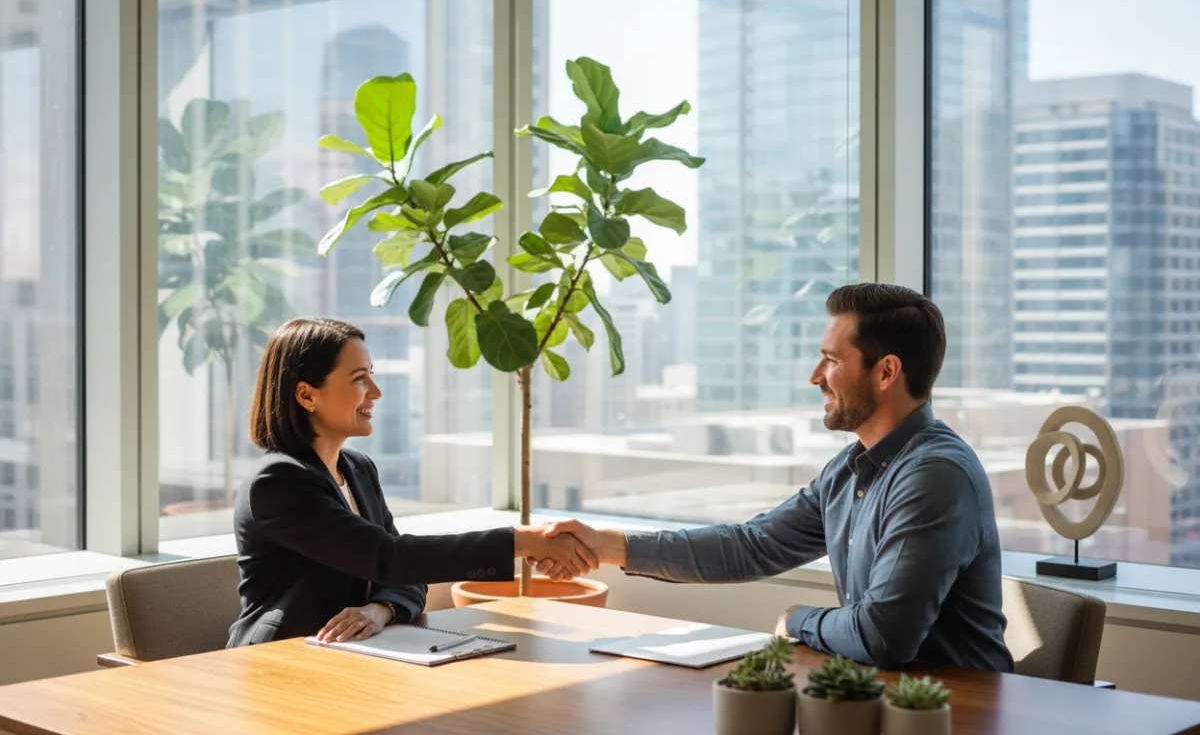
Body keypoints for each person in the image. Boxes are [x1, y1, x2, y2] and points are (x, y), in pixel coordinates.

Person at [531, 283, 1014, 672]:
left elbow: (882, 636)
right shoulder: (851, 469)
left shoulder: (934, 476)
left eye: (832, 359)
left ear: (886, 372)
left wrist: (796, 620)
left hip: (956, 711)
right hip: (875, 701)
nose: (814, 376)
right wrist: (606, 545)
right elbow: (753, 544)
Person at [227, 317, 595, 648]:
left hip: (362, 655)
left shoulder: (357, 469)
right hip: (283, 657)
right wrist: (522, 541)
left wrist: (380, 609)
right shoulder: (277, 482)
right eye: (359, 378)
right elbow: (390, 559)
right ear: (307, 394)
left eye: (371, 374)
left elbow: (408, 577)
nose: (375, 391)